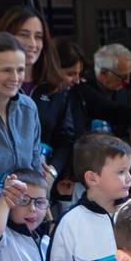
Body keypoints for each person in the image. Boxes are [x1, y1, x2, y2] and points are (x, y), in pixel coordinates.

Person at [0, 34, 47, 189]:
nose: (15, 77)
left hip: (26, 206)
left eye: (20, 70)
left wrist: (44, 210)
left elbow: (35, 165)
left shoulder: (29, 108)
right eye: (6, 70)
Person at [31, 38, 88, 172]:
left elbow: (65, 140)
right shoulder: (29, 89)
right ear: (53, 67)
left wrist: (53, 171)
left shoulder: (63, 94)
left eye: (79, 74)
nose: (77, 80)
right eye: (70, 74)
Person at [76, 43, 131, 140]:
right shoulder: (82, 89)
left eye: (129, 75)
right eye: (123, 77)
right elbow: (110, 108)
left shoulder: (120, 90)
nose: (127, 81)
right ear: (103, 73)